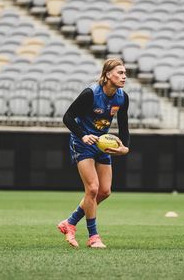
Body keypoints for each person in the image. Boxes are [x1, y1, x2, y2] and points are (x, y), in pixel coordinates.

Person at [57, 58, 130, 248]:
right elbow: (67, 117)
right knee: (92, 189)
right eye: (120, 73)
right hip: (82, 143)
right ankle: (93, 237)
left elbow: (124, 126)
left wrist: (125, 147)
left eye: (124, 73)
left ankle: (70, 222)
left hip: (102, 144)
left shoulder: (122, 97)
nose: (124, 76)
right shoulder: (91, 93)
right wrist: (82, 136)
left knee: (105, 191)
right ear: (107, 74)